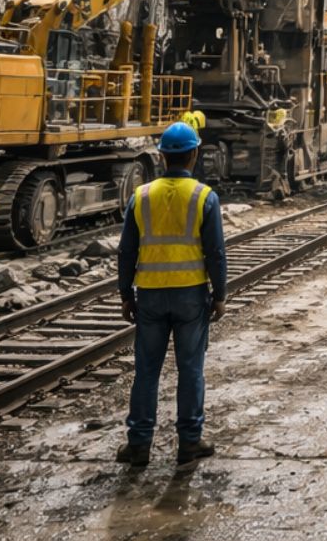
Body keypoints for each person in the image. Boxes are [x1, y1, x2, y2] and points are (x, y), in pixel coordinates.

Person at [117, 122, 227, 469]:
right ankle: (189, 444)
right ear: (193, 155)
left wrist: (125, 294)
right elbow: (216, 253)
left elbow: (126, 251)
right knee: (190, 370)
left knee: (146, 372)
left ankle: (139, 446)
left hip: (149, 296)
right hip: (190, 296)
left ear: (163, 156)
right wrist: (220, 294)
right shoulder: (203, 196)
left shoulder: (141, 196)